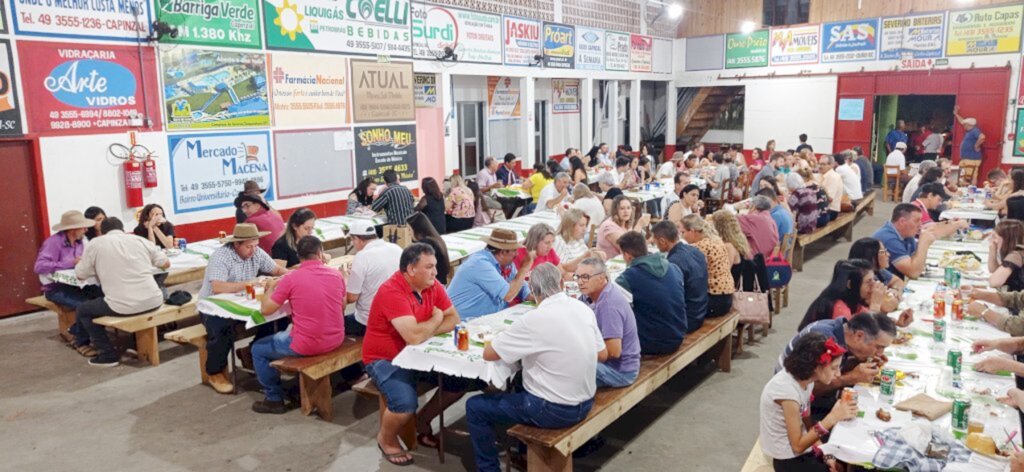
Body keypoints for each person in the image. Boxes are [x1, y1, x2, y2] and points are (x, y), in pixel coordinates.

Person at [468, 263, 605, 472]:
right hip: (586, 400)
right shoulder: (582, 308)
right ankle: (522, 453)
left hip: (554, 409)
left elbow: (489, 353)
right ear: (561, 282)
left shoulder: (533, 320)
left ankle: (488, 469)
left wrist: (500, 337)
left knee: (475, 407)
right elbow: (601, 353)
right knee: (520, 382)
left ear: (532, 290)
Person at [362, 243, 467, 466]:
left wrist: (426, 328)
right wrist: (436, 319)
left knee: (459, 383)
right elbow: (414, 335)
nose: (435, 272)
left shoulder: (432, 285)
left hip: (418, 354)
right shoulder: (392, 291)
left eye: (435, 266)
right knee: (404, 404)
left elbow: (454, 318)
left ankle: (423, 421)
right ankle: (386, 439)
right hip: (385, 358)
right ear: (411, 270)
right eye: (429, 267)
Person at [253, 236, 345, 413]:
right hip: (336, 338)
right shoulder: (336, 274)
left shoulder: (291, 278)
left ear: (298, 255)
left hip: (307, 344)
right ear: (320, 253)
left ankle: (274, 398)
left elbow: (266, 310)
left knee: (257, 349)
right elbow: (341, 306)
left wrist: (271, 287)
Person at [198, 223, 289, 394]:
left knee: (279, 315)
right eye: (249, 246)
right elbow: (218, 287)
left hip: (241, 301)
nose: (253, 250)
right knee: (223, 328)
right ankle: (214, 372)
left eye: (256, 245)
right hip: (213, 306)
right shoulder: (221, 256)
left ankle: (251, 351)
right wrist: (247, 283)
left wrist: (291, 275)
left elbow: (275, 268)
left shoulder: (256, 252)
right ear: (236, 244)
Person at [71, 217, 169, 366]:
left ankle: (106, 353)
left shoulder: (96, 244)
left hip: (122, 306)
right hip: (154, 300)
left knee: (83, 309)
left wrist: (82, 263)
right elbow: (166, 263)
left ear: (102, 232)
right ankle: (132, 343)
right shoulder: (139, 240)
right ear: (123, 229)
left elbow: (80, 274)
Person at [760, 332, 855, 472]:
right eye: (834, 368)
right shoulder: (787, 392)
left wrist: (825, 454)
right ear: (817, 366)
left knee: (843, 452)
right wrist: (832, 418)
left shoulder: (807, 380)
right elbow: (797, 446)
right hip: (787, 459)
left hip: (801, 447)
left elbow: (807, 421)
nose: (838, 374)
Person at [777, 312, 897, 420]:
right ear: (859, 336)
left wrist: (859, 362)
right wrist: (852, 377)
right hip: (790, 405)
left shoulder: (842, 332)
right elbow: (807, 389)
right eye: (879, 347)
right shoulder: (824, 340)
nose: (881, 353)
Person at [615, 231, 687, 355]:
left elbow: (617, 313)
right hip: (678, 333)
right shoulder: (673, 267)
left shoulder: (627, 279)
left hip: (653, 342)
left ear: (627, 255)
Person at [575, 258, 641, 387]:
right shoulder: (591, 294)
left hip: (620, 371)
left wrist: (580, 352)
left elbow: (613, 352)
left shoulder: (609, 306)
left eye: (585, 277)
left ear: (601, 278)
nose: (579, 282)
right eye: (577, 277)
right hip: (611, 364)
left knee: (567, 368)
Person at [798, 259, 908, 329]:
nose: (874, 286)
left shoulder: (854, 300)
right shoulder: (838, 308)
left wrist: (896, 322)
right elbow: (858, 337)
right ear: (850, 285)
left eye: (874, 280)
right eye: (869, 282)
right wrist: (875, 305)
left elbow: (864, 316)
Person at [447, 228, 531, 320]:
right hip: (463, 324)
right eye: (514, 250)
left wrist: (538, 296)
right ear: (503, 252)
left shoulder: (507, 264)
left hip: (485, 322)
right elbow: (508, 295)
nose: (517, 254)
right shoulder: (480, 263)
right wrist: (524, 269)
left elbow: (522, 288)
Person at [341, 223, 402, 337]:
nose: (352, 244)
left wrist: (345, 278)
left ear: (357, 239)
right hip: (398, 317)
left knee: (333, 325)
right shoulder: (396, 248)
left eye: (352, 240)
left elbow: (351, 298)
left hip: (369, 322)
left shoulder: (362, 256)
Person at [35, 211, 100, 315]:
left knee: (104, 298)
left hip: (78, 285)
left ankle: (81, 328)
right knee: (86, 307)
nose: (86, 230)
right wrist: (70, 263)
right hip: (56, 288)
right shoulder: (53, 242)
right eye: (83, 228)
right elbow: (39, 266)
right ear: (73, 230)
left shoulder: (82, 241)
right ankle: (77, 329)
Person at [652, 221, 709, 333]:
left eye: (656, 243)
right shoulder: (694, 250)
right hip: (701, 310)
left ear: (663, 241)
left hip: (688, 319)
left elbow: (669, 297)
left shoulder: (673, 263)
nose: (656, 246)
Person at [682, 214, 735, 317]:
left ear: (692, 231)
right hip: (726, 297)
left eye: (683, 232)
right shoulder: (716, 240)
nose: (681, 236)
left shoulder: (698, 247)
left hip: (713, 301)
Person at [554, 209, 604, 274]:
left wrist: (596, 254)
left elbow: (587, 258)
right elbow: (562, 270)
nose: (585, 229)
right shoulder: (558, 241)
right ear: (570, 226)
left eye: (585, 225)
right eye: (581, 225)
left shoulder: (579, 239)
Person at [405, 212, 450, 283]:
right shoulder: (434, 239)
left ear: (417, 229)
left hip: (432, 285)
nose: (408, 233)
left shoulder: (425, 244)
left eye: (409, 230)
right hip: (438, 282)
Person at [988, 220, 1024, 292]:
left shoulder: (1016, 255)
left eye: (995, 237)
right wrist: (992, 251)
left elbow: (994, 282)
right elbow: (994, 271)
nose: (993, 240)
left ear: (1006, 238)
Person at [818, 154, 844, 221]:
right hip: (823, 208)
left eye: (823, 164)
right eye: (819, 164)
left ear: (831, 165)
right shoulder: (822, 174)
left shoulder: (833, 177)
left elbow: (829, 199)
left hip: (830, 211)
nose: (820, 166)